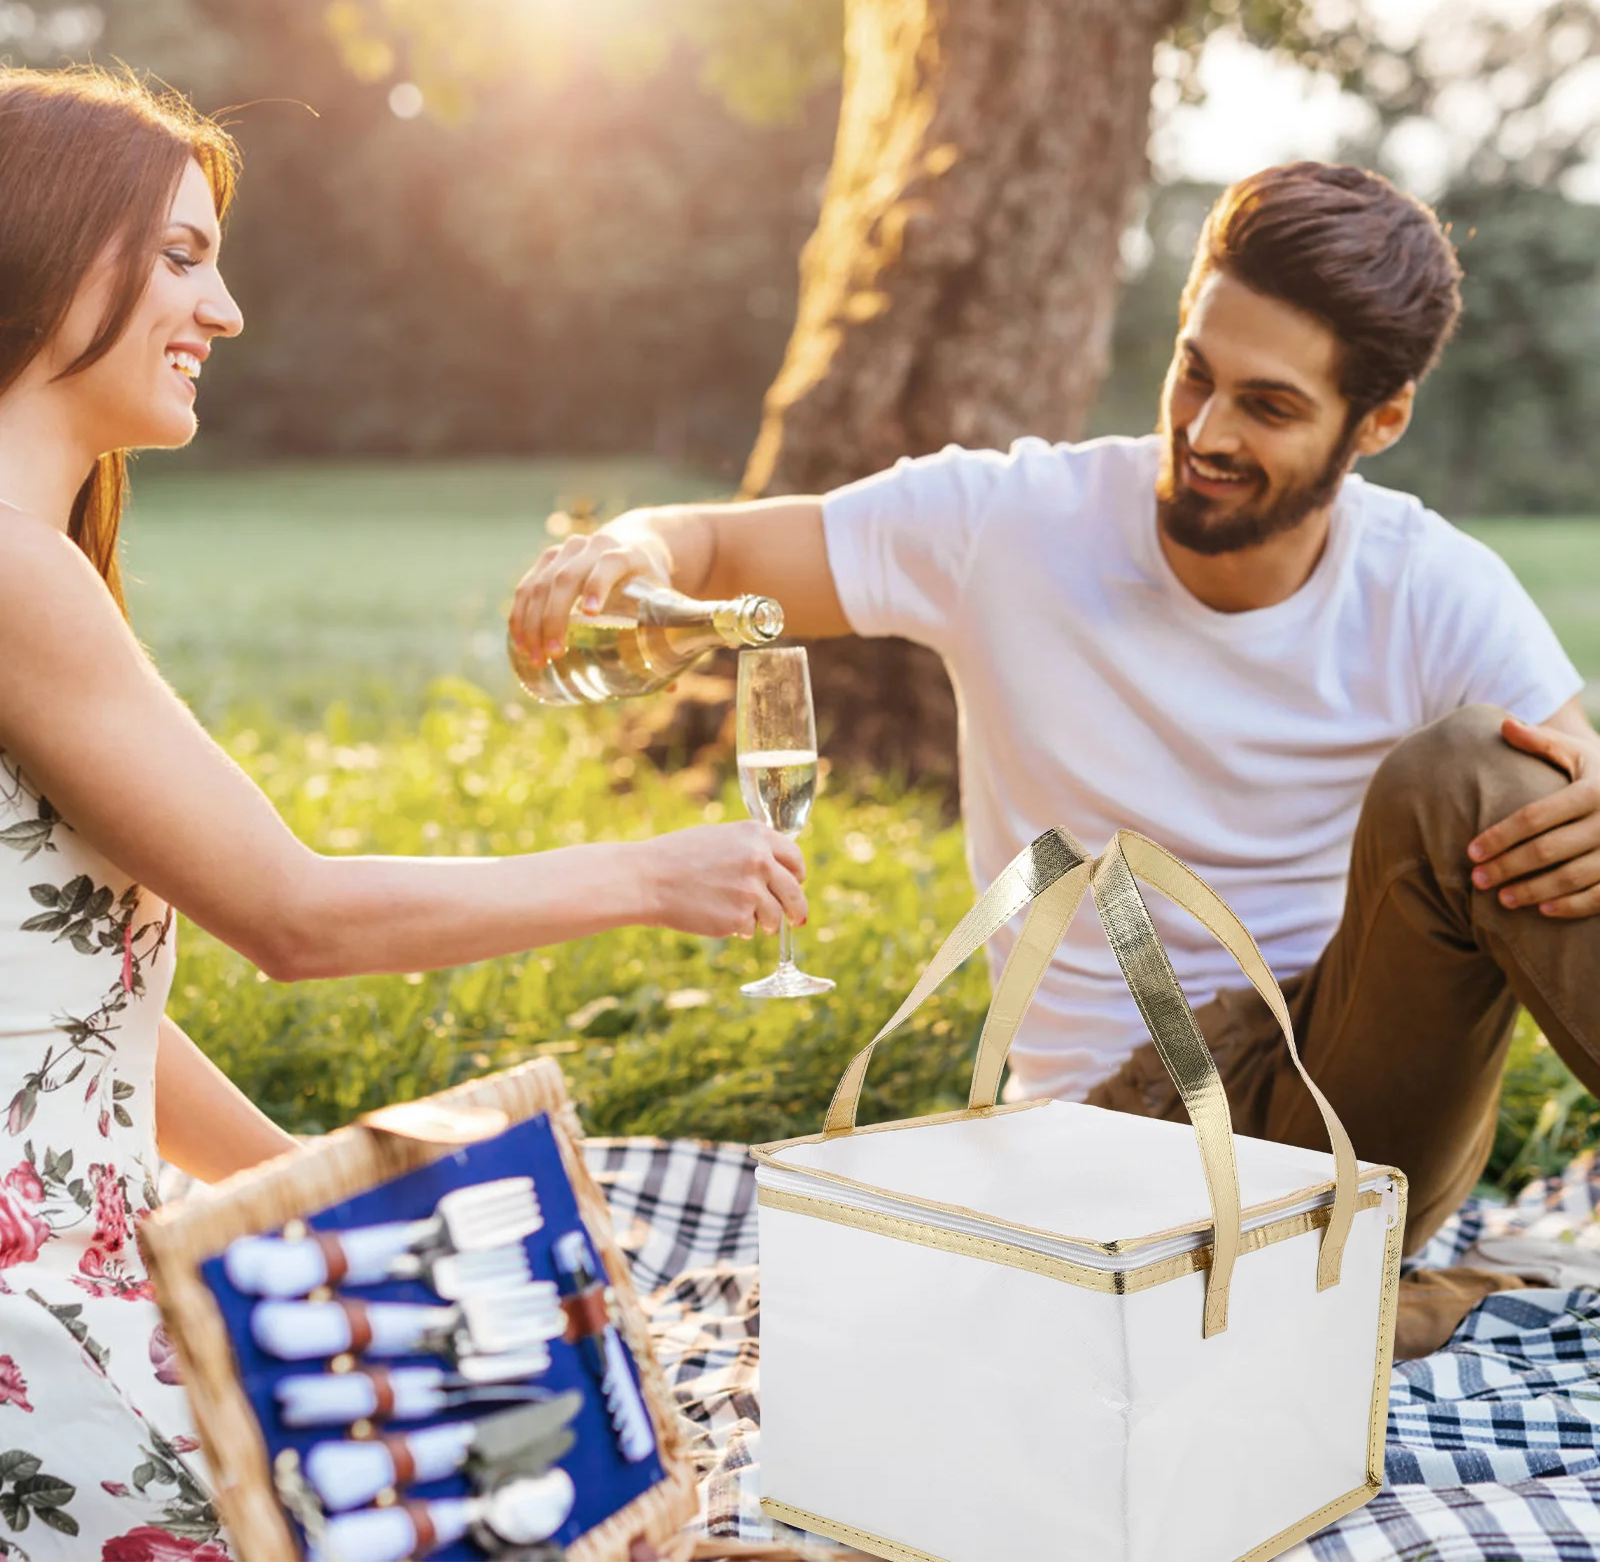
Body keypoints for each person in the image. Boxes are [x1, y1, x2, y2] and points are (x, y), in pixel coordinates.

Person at [514, 161, 1600, 1357]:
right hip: (1112, 1128)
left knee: (1495, 775)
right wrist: (626, 550)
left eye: (1268, 406)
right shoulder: (1009, 522)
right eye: (1194, 372)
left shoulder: (1429, 586)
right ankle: (1383, 1303)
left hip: (1343, 1097)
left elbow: (1563, 785)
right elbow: (717, 551)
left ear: (1377, 422)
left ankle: (1328, 1297)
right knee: (1161, 1324)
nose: (1205, 432)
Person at [0, 67, 808, 1555]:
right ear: (43, 249)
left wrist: (296, 1178)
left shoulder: (31, 561)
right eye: (180, 256)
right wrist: (648, 876)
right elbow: (296, 918)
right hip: (41, 1320)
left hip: (94, 1231)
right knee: (546, 1487)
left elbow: (63, 1005)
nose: (226, 310)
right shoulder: (11, 569)